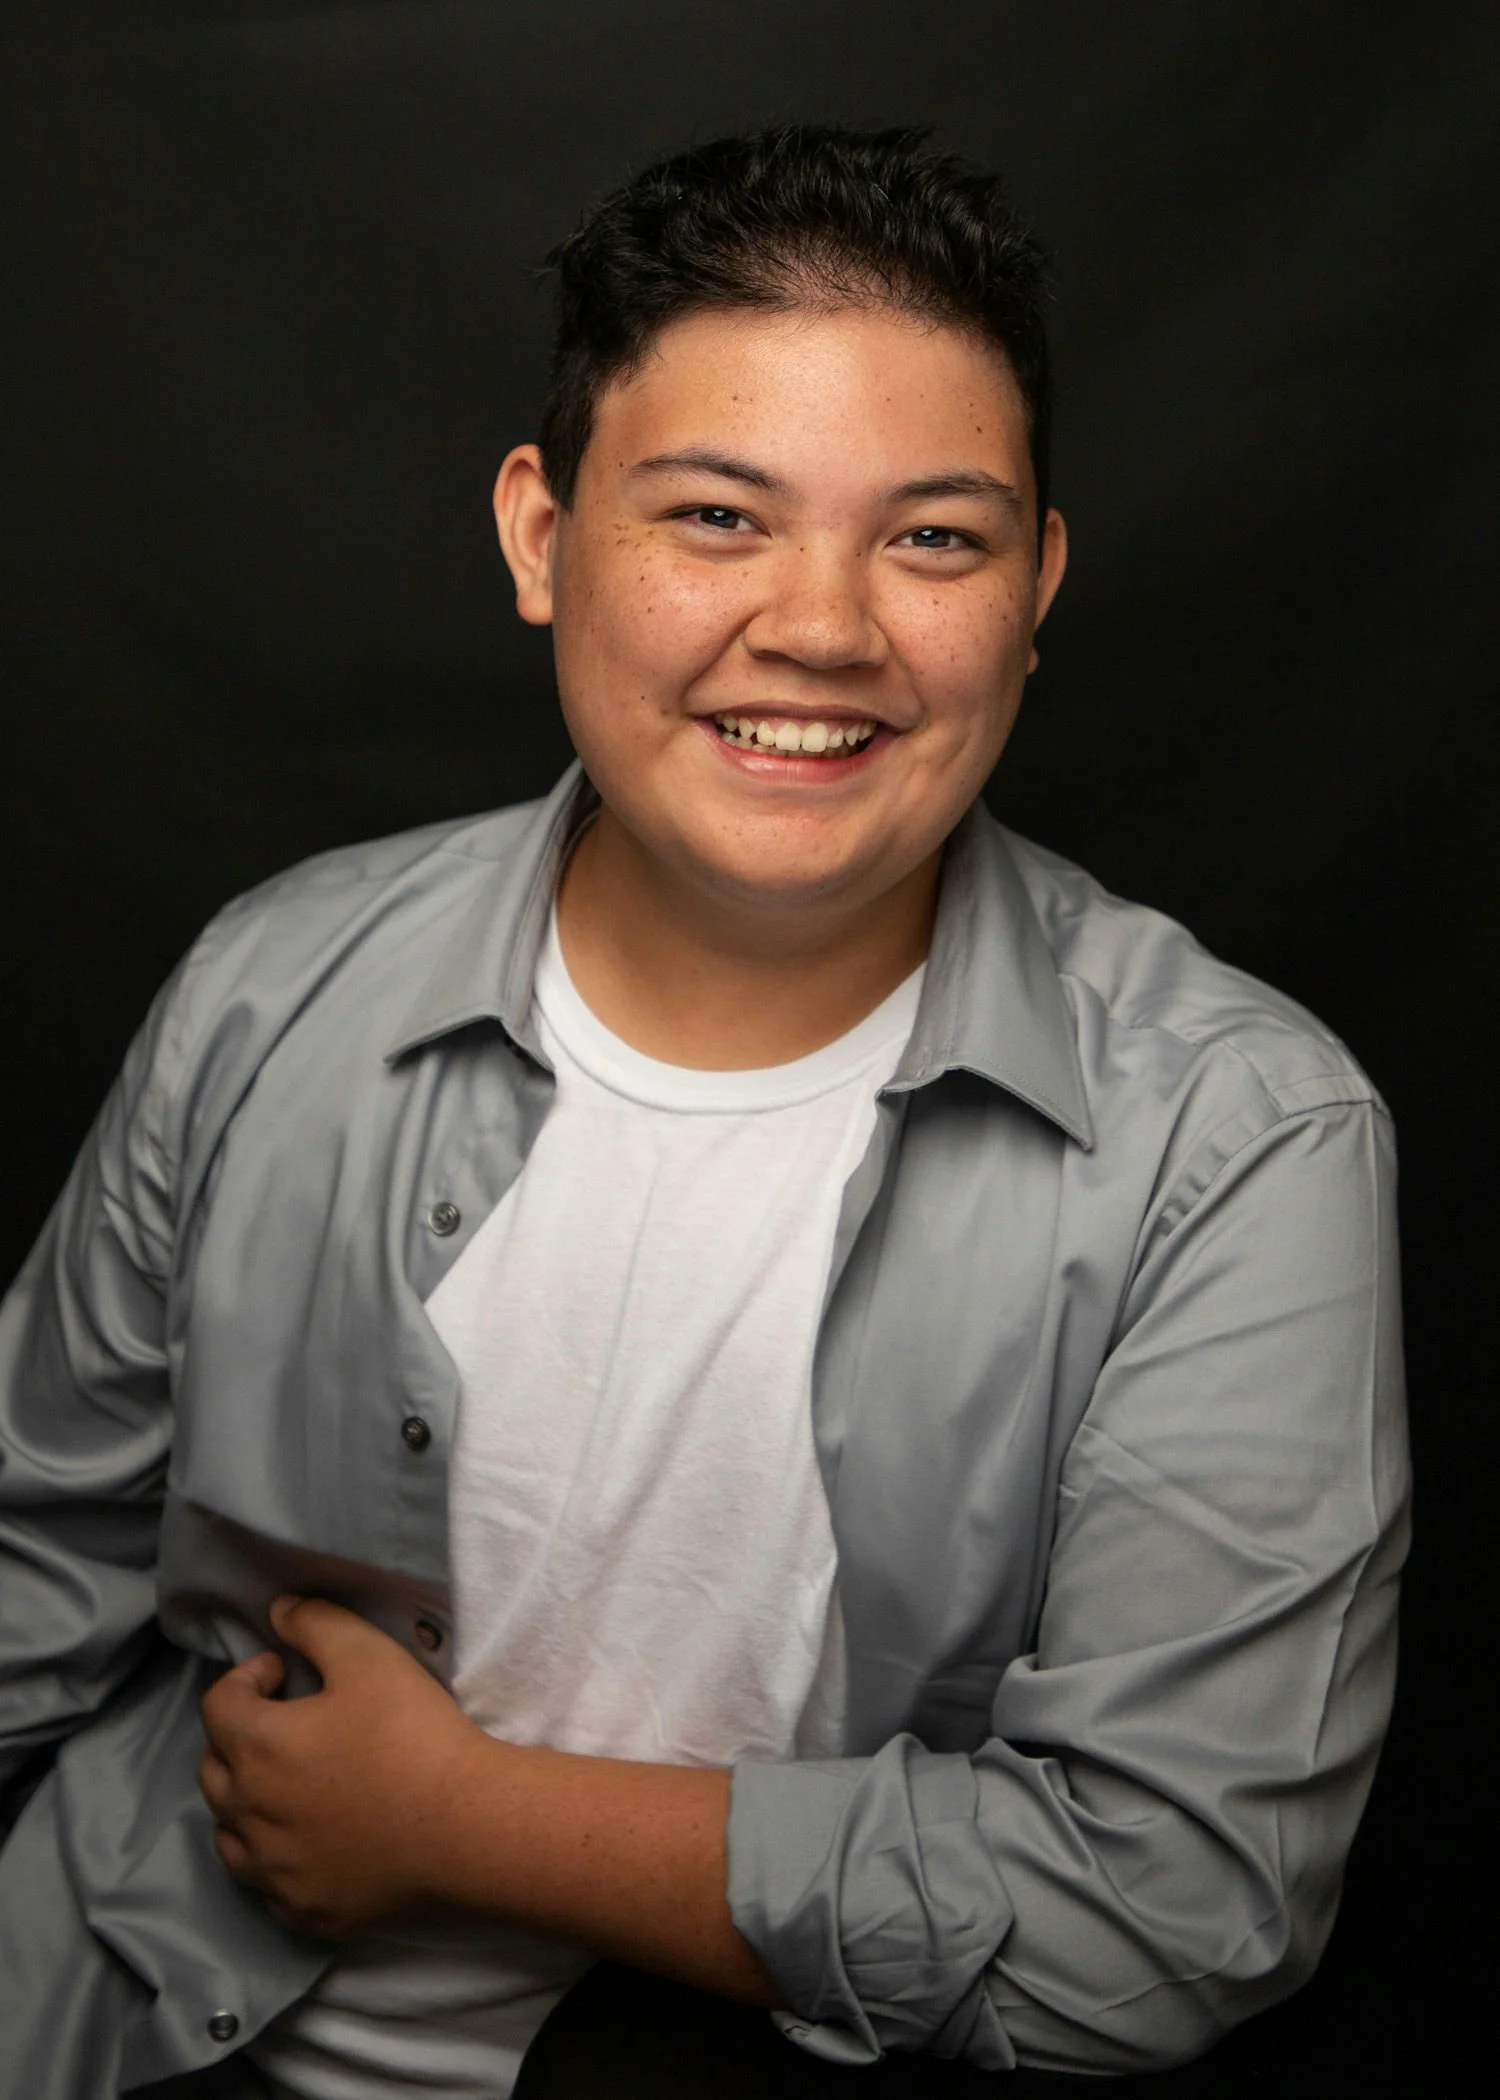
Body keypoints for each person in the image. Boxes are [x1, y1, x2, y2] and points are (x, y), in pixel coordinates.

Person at [0, 125, 1408, 2098]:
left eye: (935, 538)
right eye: (720, 516)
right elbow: (34, 1564)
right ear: (542, 536)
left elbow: (1169, 1915)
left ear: (1036, 587)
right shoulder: (273, 979)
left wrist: (456, 1824)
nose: (824, 627)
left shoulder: (1240, 1145)